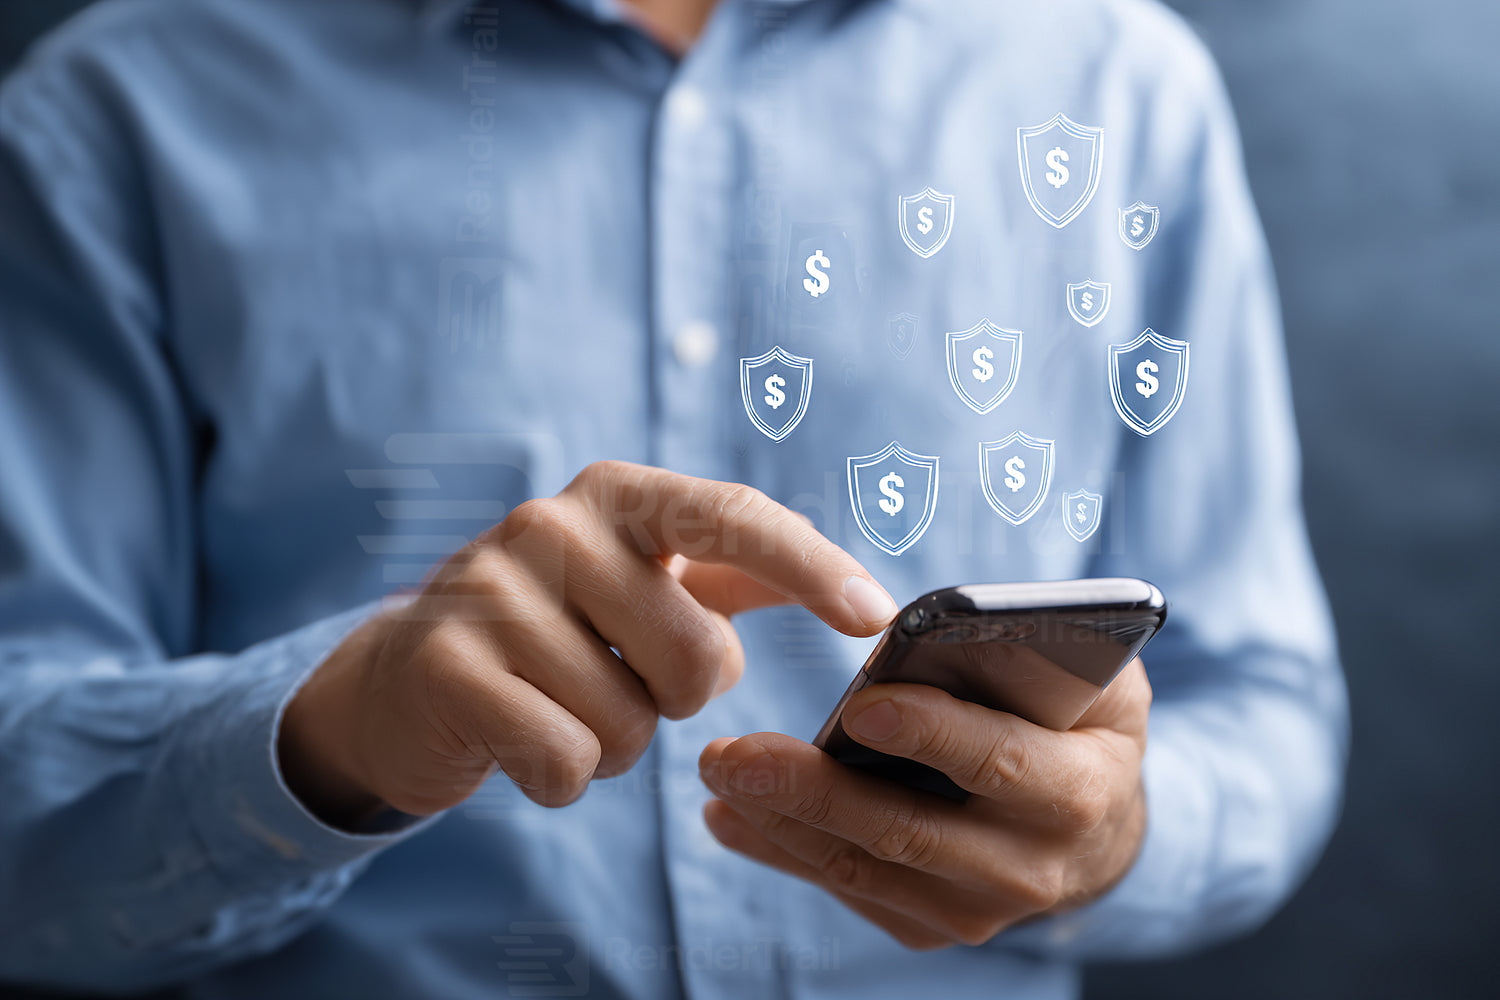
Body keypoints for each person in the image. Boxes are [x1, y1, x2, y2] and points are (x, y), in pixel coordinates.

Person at [0, 0, 1349, 996]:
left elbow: (1266, 709)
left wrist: (1114, 835)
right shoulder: (119, 113)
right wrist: (343, 730)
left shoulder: (1120, 84)